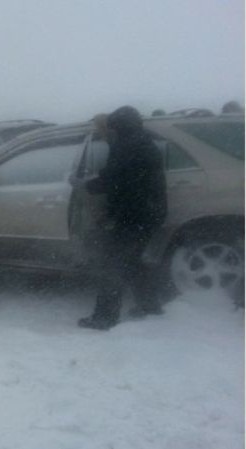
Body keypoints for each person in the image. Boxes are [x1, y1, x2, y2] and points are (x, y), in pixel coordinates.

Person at [78, 106, 168, 330]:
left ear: (120, 127)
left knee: (112, 265)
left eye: (112, 128)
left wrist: (85, 185)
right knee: (133, 262)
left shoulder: (127, 146)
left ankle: (104, 318)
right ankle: (149, 306)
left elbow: (113, 178)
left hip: (134, 215)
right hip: (147, 212)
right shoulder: (141, 141)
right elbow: (125, 177)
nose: (111, 132)